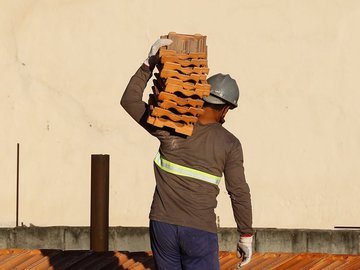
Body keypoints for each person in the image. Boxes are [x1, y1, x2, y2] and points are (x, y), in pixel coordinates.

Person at [121, 38, 253, 270]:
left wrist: (148, 63)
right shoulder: (230, 144)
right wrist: (246, 236)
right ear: (225, 108)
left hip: (162, 226)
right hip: (199, 232)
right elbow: (239, 192)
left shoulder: (170, 125)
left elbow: (129, 100)